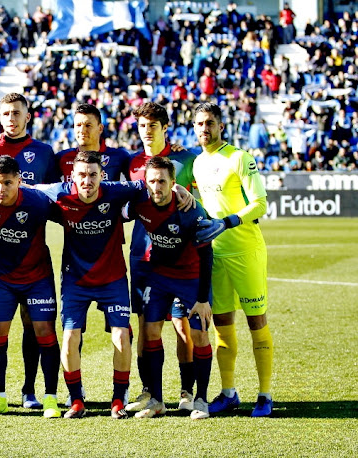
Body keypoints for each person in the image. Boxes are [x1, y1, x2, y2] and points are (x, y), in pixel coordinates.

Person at [39, 151, 142, 419]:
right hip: (76, 279)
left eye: (93, 175)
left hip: (113, 277)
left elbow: (149, 183)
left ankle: (119, 398)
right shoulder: (60, 193)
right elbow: (26, 188)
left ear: (102, 176)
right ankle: (76, 400)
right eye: (82, 175)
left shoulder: (116, 191)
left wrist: (178, 189)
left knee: (121, 335)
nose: (87, 181)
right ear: (72, 176)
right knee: (70, 337)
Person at [0, 92, 59, 409]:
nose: (11, 118)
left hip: (33, 254)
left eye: (16, 113)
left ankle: (29, 390)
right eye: (6, 113)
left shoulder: (43, 153)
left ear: (28, 116)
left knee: (33, 323)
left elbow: (55, 197)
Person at [192, 102, 273, 417]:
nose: (204, 129)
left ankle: (265, 394)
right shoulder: (198, 163)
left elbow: (260, 203)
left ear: (221, 126)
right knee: (222, 325)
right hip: (216, 255)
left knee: (256, 321)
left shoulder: (240, 158)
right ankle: (228, 393)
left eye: (210, 123)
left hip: (245, 250)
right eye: (199, 124)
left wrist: (228, 222)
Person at [125, 156, 213, 420]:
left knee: (198, 335)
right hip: (159, 275)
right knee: (150, 331)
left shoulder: (190, 210)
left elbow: (207, 254)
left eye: (162, 181)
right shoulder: (140, 203)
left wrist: (202, 298)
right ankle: (157, 401)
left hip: (191, 277)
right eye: (151, 181)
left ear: (173, 183)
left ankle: (201, 399)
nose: (156, 186)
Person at [56, 103, 131, 182]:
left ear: (100, 128)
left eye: (88, 125)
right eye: (78, 125)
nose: (82, 131)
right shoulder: (62, 158)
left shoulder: (119, 156)